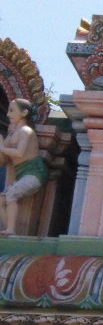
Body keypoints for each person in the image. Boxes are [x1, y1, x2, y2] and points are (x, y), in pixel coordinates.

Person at [0, 98, 46, 236]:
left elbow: (19, 153)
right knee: (1, 200)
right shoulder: (13, 134)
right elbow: (2, 161)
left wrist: (2, 147)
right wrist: (3, 141)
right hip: (23, 174)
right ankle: (7, 229)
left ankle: (11, 230)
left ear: (24, 112)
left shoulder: (26, 131)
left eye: (12, 110)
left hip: (35, 173)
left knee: (11, 194)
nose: (8, 114)